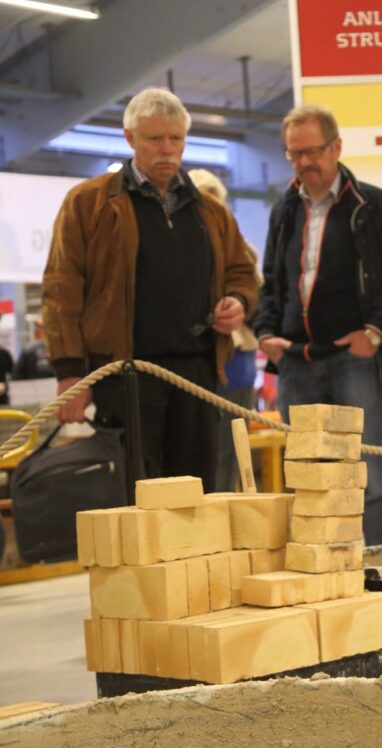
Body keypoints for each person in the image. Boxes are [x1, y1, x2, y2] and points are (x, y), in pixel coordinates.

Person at [42, 88, 258, 489]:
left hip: (198, 375)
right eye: (155, 139)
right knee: (134, 497)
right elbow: (61, 289)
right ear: (130, 138)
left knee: (198, 494)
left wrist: (239, 301)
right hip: (123, 374)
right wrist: (70, 374)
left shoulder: (210, 211)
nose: (167, 149)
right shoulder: (87, 203)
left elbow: (242, 272)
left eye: (176, 138)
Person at [256, 105, 382, 546]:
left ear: (336, 148)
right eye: (294, 154)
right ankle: (323, 574)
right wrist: (265, 334)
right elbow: (271, 281)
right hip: (296, 363)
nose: (303, 162)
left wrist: (373, 333)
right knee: (309, 480)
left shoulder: (372, 205)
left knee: (374, 478)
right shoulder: (283, 210)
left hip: (359, 362)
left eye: (312, 152)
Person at [189, 168, 261, 493]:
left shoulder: (243, 251)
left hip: (236, 361)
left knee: (232, 453)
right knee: (196, 453)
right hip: (191, 361)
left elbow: (258, 299)